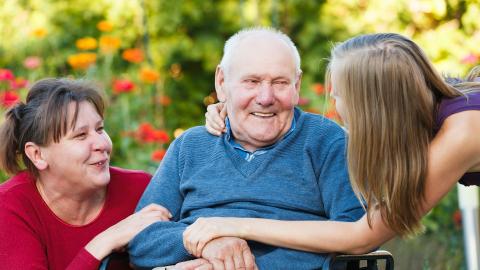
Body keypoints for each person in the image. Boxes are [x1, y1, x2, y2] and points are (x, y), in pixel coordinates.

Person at [186, 32, 480, 256]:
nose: (336, 106)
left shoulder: (464, 131)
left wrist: (235, 224)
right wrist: (237, 111)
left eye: (339, 95)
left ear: (373, 105)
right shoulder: (437, 109)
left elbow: (363, 236)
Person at [128, 27, 364, 269]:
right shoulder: (190, 146)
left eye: (280, 82)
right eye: (252, 81)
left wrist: (237, 264)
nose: (265, 97)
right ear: (222, 82)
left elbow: (356, 236)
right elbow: (140, 239)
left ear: (297, 84)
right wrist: (205, 246)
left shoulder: (326, 141)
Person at [0, 78, 171, 270]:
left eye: (100, 129)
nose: (103, 144)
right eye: (80, 135)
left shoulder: (141, 189)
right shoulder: (10, 207)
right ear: (37, 154)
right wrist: (104, 242)